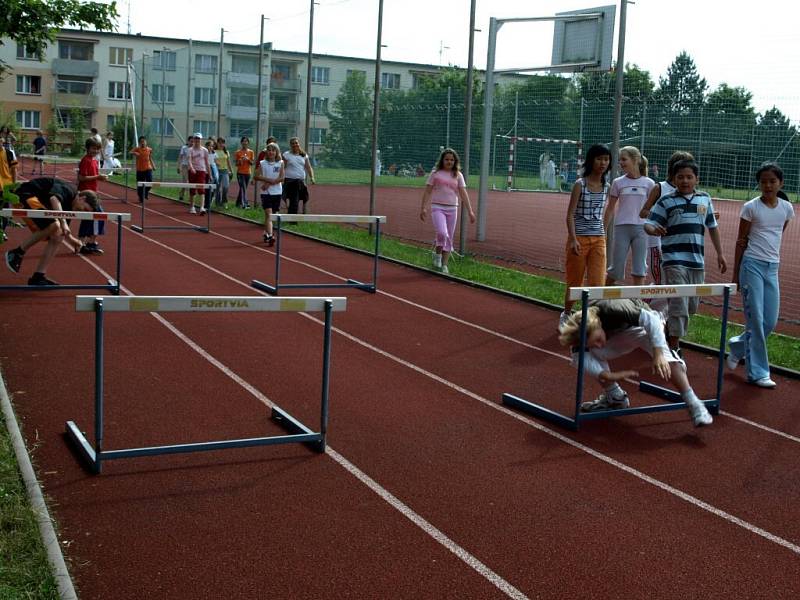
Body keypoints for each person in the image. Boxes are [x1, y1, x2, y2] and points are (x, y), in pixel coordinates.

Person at [558, 298, 713, 427]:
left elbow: (651, 320)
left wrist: (658, 354)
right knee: (581, 353)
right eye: (594, 342)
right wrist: (608, 375)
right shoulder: (582, 329)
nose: (599, 345)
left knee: (667, 361)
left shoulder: (613, 308)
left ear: (598, 324)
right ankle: (616, 397)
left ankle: (695, 404)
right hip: (618, 335)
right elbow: (580, 357)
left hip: (644, 326)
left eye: (597, 339)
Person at [644, 159, 727, 355]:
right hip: (673, 260)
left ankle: (666, 330)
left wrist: (720, 253)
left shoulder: (705, 199)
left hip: (696, 262)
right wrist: (653, 230)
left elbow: (712, 227)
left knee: (691, 307)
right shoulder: (666, 201)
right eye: (680, 177)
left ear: (696, 179)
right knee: (679, 304)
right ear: (673, 179)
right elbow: (648, 223)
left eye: (689, 177)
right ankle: (674, 347)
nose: (685, 181)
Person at [727, 163, 795, 388]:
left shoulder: (786, 208)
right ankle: (758, 373)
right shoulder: (750, 208)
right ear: (759, 183)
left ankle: (737, 346)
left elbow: (777, 233)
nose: (768, 185)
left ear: (780, 183)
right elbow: (741, 241)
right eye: (764, 181)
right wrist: (736, 276)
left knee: (769, 321)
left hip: (772, 267)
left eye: (772, 181)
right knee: (755, 319)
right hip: (752, 266)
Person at [4, 178, 95, 285]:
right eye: (85, 209)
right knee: (54, 225)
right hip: (25, 194)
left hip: (35, 200)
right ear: (82, 198)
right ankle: (16, 253)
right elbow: (54, 199)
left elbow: (64, 232)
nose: (83, 212)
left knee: (58, 235)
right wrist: (64, 223)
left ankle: (38, 276)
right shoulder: (69, 190)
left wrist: (74, 241)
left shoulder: (69, 206)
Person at [560, 144, 612, 326]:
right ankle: (566, 313)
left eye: (606, 159)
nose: (603, 163)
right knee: (575, 281)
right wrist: (573, 239)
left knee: (598, 282)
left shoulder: (607, 186)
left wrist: (603, 234)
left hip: (598, 239)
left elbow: (605, 212)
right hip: (579, 239)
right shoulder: (579, 185)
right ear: (591, 160)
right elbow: (570, 214)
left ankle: (592, 319)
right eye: (599, 159)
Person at [638, 151, 695, 291]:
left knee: (679, 281)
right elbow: (643, 211)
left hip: (681, 243)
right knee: (662, 283)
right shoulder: (660, 187)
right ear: (673, 169)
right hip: (659, 243)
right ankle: (649, 307)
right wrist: (662, 216)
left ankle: (667, 310)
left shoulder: (690, 190)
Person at [419, 147, 476, 275]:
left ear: (455, 161)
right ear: (442, 160)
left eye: (452, 160)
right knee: (442, 233)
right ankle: (437, 254)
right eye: (447, 159)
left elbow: (463, 193)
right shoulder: (435, 173)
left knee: (449, 237)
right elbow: (428, 190)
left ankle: (444, 265)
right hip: (437, 207)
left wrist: (470, 211)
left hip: (452, 209)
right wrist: (423, 207)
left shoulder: (458, 175)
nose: (449, 162)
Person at [605, 145, 655, 286]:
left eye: (624, 159)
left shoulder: (649, 183)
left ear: (636, 160)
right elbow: (610, 208)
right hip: (622, 229)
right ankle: (599, 299)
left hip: (642, 230)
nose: (621, 162)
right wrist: (603, 229)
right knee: (616, 269)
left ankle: (637, 304)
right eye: (620, 160)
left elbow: (654, 209)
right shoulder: (618, 182)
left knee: (640, 269)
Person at [76, 137, 108, 254]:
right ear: (87, 148)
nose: (95, 151)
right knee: (99, 216)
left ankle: (80, 243)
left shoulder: (94, 160)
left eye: (97, 149)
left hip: (93, 193)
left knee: (88, 219)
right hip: (86, 194)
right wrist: (97, 177)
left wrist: (100, 176)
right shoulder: (86, 160)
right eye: (93, 148)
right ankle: (90, 243)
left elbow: (93, 175)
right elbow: (81, 177)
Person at [254, 142, 284, 246]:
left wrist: (270, 183)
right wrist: (267, 180)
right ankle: (271, 235)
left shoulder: (280, 163)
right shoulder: (263, 163)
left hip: (277, 192)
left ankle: (266, 232)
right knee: (268, 214)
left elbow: (282, 178)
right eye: (269, 150)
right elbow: (256, 176)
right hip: (266, 193)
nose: (271, 152)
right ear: (266, 152)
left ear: (276, 152)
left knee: (273, 215)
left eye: (273, 150)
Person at [282, 137, 315, 215]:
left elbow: (308, 167)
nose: (295, 145)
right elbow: (283, 167)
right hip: (290, 180)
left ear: (299, 144)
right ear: (290, 145)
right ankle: (291, 215)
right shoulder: (286, 155)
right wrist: (281, 179)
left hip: (301, 181)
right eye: (293, 143)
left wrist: (312, 177)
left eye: (296, 143)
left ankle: (303, 212)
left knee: (304, 197)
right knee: (293, 199)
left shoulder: (304, 155)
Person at [187, 133, 211, 215]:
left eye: (199, 139)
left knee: (201, 189)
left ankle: (201, 207)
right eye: (196, 138)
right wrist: (192, 168)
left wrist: (209, 174)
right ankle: (192, 207)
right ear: (193, 139)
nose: (197, 140)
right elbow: (189, 160)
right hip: (192, 171)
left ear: (201, 140)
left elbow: (207, 162)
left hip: (202, 171)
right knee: (192, 190)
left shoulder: (205, 150)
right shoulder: (190, 150)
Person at [131, 136, 156, 203]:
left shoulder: (149, 149)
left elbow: (150, 158)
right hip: (140, 170)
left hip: (148, 168)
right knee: (140, 185)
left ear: (146, 142)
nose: (143, 143)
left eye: (144, 141)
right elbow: (130, 152)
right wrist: (134, 153)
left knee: (150, 182)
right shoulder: (137, 149)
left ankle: (146, 192)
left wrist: (153, 165)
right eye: (141, 142)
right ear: (139, 143)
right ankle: (141, 197)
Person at [234, 136, 254, 209]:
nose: (245, 143)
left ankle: (237, 203)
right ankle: (245, 204)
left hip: (248, 173)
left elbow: (252, 163)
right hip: (240, 173)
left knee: (243, 188)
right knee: (243, 188)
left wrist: (248, 159)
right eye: (243, 141)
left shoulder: (251, 152)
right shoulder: (238, 152)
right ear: (241, 142)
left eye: (246, 141)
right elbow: (236, 164)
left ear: (248, 143)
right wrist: (240, 161)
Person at [215, 137, 233, 207]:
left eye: (222, 143)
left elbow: (228, 162)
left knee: (226, 187)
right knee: (218, 188)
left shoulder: (226, 152)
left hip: (225, 171)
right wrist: (216, 163)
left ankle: (224, 201)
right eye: (219, 142)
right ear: (217, 143)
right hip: (217, 171)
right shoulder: (214, 151)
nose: (221, 144)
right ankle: (218, 202)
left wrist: (231, 171)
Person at [203, 139, 218, 213]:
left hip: (213, 171)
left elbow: (215, 163)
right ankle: (206, 205)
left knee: (212, 188)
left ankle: (209, 203)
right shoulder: (205, 154)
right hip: (206, 171)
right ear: (206, 146)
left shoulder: (214, 154)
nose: (211, 147)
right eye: (209, 146)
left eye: (212, 146)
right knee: (207, 189)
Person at [176, 135, 193, 201]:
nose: (192, 143)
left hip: (192, 167)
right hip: (185, 166)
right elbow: (180, 157)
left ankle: (190, 197)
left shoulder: (194, 148)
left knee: (191, 182)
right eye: (191, 141)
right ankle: (182, 194)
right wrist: (178, 166)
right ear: (188, 141)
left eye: (193, 142)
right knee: (185, 181)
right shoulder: (184, 148)